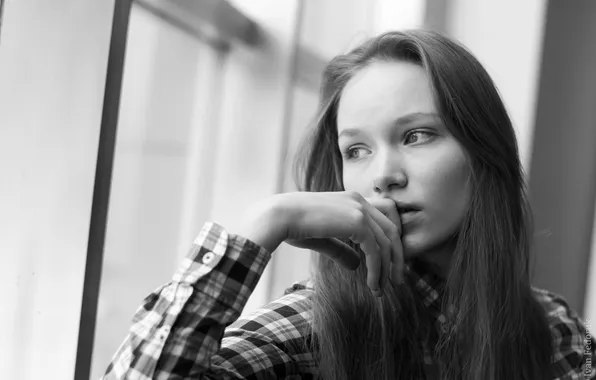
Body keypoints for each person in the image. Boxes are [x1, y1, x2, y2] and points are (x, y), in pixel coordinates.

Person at [102, 29, 595, 380]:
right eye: (356, 150)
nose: (382, 174)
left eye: (418, 135)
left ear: (482, 152)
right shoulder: (312, 327)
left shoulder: (553, 330)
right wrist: (263, 224)